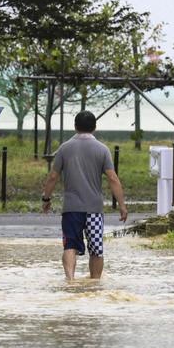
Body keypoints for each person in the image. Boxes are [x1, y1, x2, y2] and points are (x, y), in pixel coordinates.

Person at [41, 111, 127, 280]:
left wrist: (46, 198)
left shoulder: (64, 148)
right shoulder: (102, 149)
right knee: (96, 249)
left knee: (70, 246)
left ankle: (70, 281)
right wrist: (122, 206)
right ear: (95, 127)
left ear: (75, 126)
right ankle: (94, 285)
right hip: (94, 210)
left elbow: (52, 177)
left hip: (71, 209)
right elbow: (112, 178)